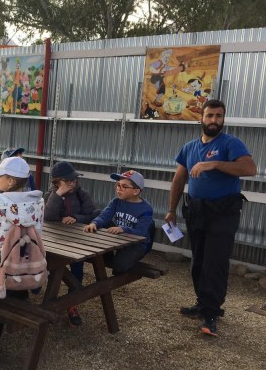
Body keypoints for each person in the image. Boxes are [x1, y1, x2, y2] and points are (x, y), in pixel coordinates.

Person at [165, 99, 256, 337]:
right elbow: (178, 180)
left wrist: (213, 164)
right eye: (210, 115)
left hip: (223, 212)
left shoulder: (230, 143)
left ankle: (212, 312)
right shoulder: (189, 148)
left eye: (219, 116)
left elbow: (249, 169)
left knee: (215, 262)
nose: (214, 120)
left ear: (223, 118)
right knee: (199, 261)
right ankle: (202, 303)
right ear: (201, 118)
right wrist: (171, 210)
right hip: (197, 211)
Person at [0, 157, 45, 369]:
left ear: (11, 181)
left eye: (0, 177)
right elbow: (38, 233)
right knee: (10, 296)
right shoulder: (38, 202)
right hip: (24, 262)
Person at [44, 161, 97, 326]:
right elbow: (48, 216)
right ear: (57, 182)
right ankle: (44, 297)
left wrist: (76, 218)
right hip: (54, 241)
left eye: (74, 180)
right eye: (67, 181)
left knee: (77, 270)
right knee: (49, 265)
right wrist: (58, 195)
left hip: (76, 242)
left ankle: (72, 303)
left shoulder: (82, 195)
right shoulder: (50, 195)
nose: (72, 183)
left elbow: (92, 214)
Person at [84, 170, 154, 275]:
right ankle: (109, 255)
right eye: (118, 185)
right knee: (96, 214)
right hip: (120, 238)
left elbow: (141, 232)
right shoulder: (116, 202)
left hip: (137, 244)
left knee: (119, 266)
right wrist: (94, 223)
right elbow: (104, 216)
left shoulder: (146, 209)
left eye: (124, 186)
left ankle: (124, 262)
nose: (118, 189)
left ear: (136, 191)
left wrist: (122, 229)